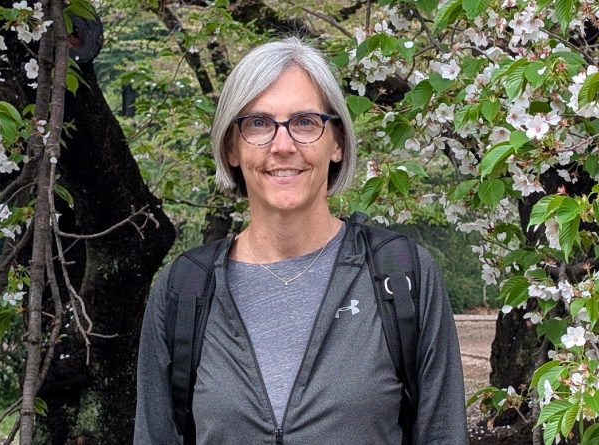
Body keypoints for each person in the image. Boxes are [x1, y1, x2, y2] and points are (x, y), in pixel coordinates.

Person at [134, 37, 468, 444]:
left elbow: (443, 434)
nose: (283, 145)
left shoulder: (402, 277)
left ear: (338, 142)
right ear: (232, 148)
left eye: (305, 122)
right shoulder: (182, 292)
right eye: (258, 123)